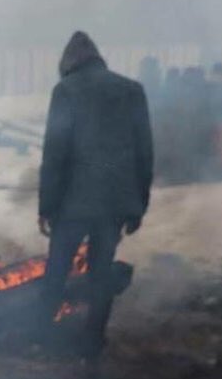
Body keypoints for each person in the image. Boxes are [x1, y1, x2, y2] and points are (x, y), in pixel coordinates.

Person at [38, 31, 154, 358]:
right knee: (101, 273)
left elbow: (55, 153)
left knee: (57, 270)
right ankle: (92, 340)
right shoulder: (132, 91)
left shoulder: (65, 92)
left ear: (68, 64)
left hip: (72, 204)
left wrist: (47, 206)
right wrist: (138, 205)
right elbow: (144, 153)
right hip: (115, 204)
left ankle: (43, 336)